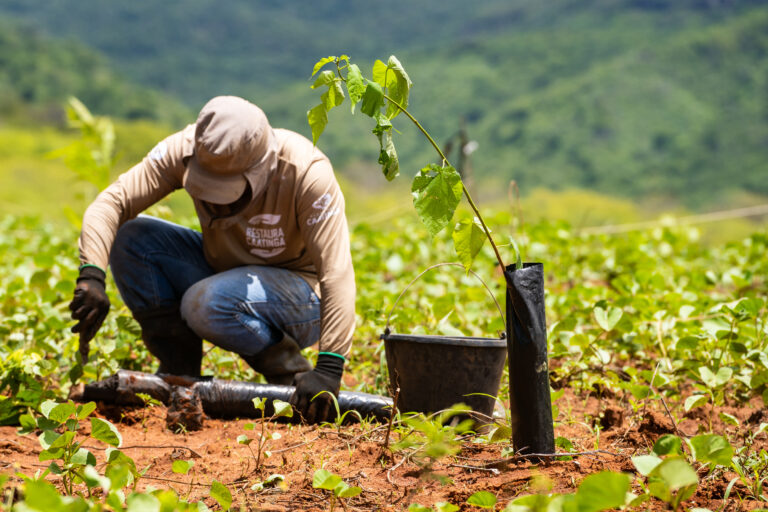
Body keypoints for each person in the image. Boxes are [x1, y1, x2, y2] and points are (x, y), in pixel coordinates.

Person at [68, 96, 356, 423]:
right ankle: (179, 370)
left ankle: (288, 371)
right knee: (132, 239)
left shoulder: (305, 173)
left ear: (261, 169)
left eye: (227, 192)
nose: (216, 204)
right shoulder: (185, 149)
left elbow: (336, 274)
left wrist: (330, 366)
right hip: (225, 274)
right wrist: (91, 274)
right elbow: (111, 204)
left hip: (301, 296)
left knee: (205, 302)